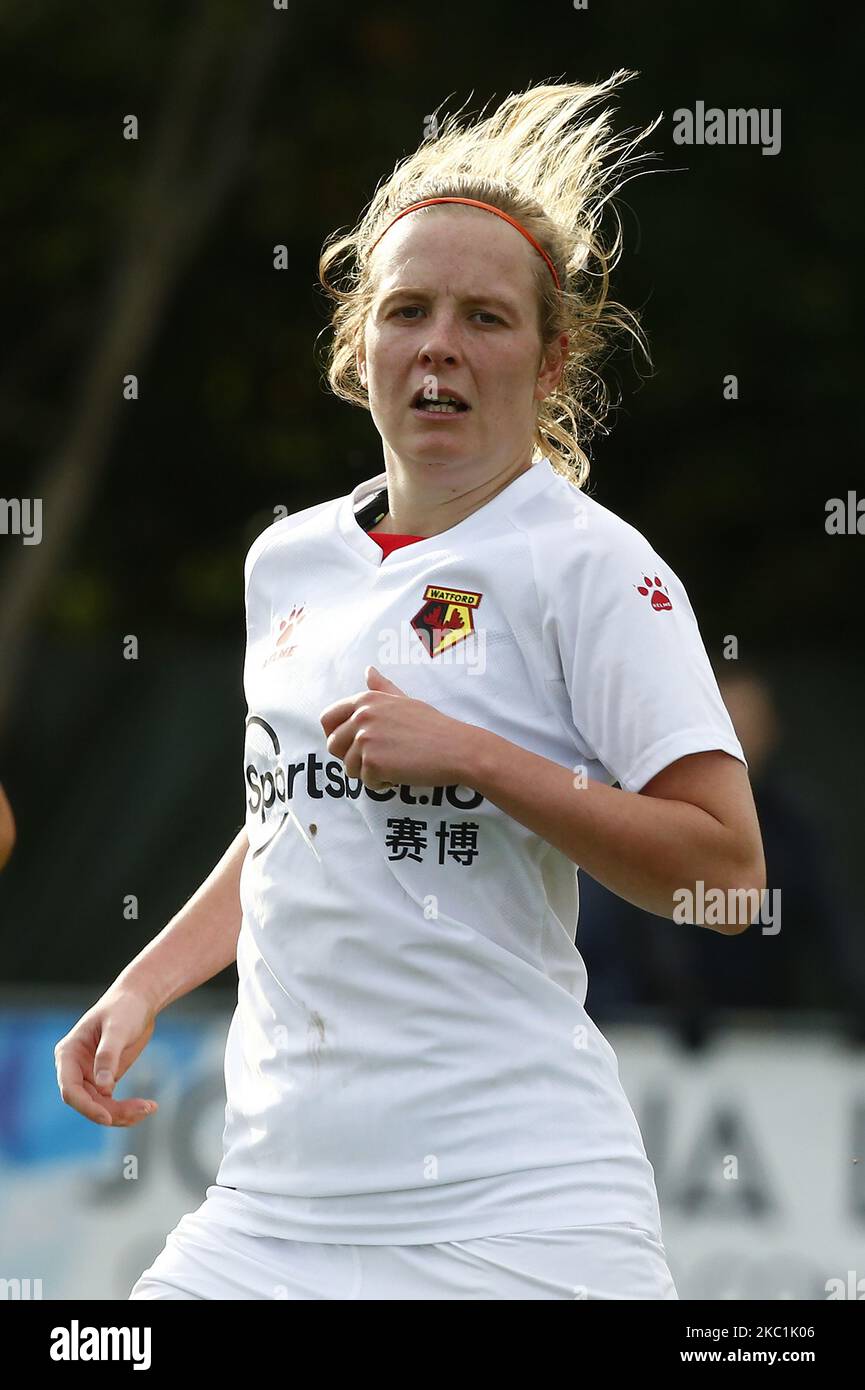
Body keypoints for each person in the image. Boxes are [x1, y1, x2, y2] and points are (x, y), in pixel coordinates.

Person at [55, 73, 765, 1300]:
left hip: (516, 1218)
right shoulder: (289, 560)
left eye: (486, 319)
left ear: (549, 365)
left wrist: (480, 756)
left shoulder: (594, 566)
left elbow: (729, 883)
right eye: (409, 309)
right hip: (271, 1215)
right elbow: (294, 814)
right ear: (360, 345)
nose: (440, 342)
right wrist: (146, 978)